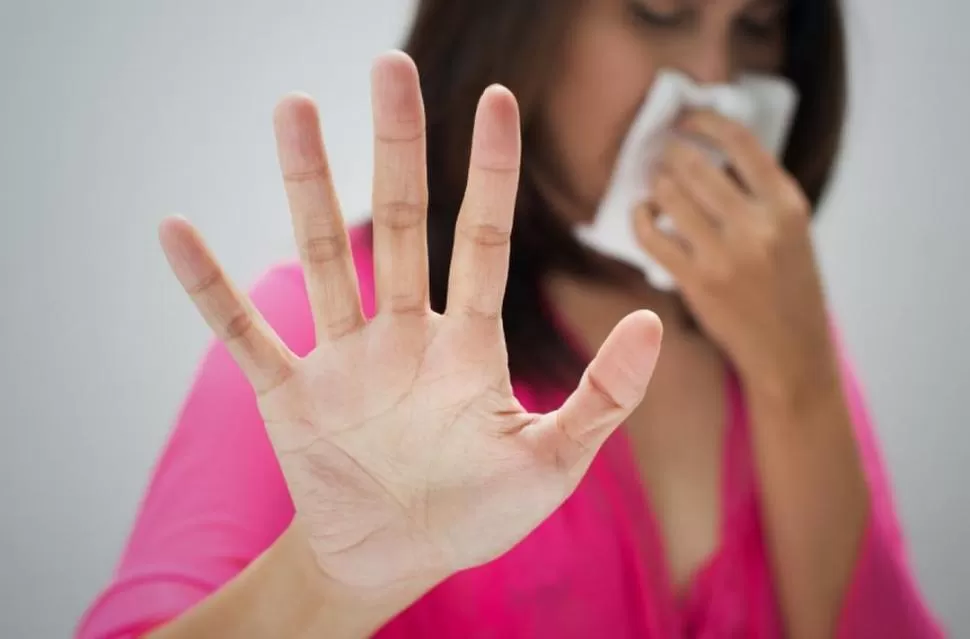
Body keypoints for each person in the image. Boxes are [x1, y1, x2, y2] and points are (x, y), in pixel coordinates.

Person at [76, 0, 945, 637]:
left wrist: (800, 379)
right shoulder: (329, 338)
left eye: (755, 28)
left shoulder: (774, 339)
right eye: (660, 11)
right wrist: (321, 582)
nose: (713, 85)